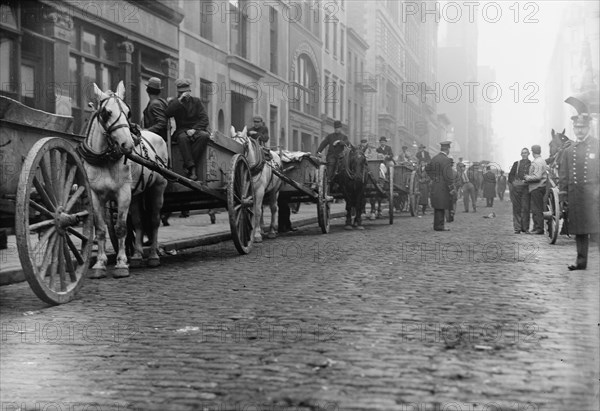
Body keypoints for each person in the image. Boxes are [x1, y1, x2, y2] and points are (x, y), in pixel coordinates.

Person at [558, 100, 599, 271]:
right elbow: (564, 176)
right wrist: (564, 197)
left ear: (588, 128)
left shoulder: (597, 146)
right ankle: (581, 262)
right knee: (580, 230)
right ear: (574, 129)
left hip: (594, 194)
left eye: (583, 127)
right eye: (577, 127)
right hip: (576, 195)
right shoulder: (569, 151)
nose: (580, 130)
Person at [165, 78, 210, 181]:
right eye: (181, 92)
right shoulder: (174, 102)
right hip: (181, 130)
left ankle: (188, 164)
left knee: (204, 136)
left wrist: (194, 129)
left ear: (190, 91)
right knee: (183, 138)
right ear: (178, 92)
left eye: (186, 92)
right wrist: (179, 100)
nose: (185, 94)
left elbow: (204, 119)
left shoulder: (196, 101)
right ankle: (192, 168)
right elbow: (167, 113)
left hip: (196, 129)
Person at [425, 141, 455, 231]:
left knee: (437, 204)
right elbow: (448, 175)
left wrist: (433, 177)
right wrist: (451, 187)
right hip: (443, 185)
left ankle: (437, 225)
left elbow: (427, 168)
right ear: (448, 149)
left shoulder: (434, 158)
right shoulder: (446, 160)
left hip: (435, 183)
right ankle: (440, 226)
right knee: (442, 204)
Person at [316, 120, 349, 186]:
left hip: (341, 156)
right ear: (334, 128)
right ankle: (328, 180)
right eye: (336, 128)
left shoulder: (344, 137)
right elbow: (323, 144)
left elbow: (347, 143)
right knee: (331, 165)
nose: (337, 129)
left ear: (340, 128)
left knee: (346, 166)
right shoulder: (330, 136)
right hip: (331, 155)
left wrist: (342, 142)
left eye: (338, 128)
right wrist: (318, 151)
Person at [524, 145, 548, 234]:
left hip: (537, 187)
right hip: (540, 187)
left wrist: (527, 178)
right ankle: (535, 227)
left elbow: (537, 177)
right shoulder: (542, 161)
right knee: (535, 208)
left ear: (533, 152)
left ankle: (539, 228)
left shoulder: (537, 162)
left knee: (537, 209)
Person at [508, 147, 532, 234]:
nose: (524, 154)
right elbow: (510, 176)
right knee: (516, 208)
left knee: (526, 208)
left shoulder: (531, 164)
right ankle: (517, 228)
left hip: (526, 188)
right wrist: (513, 183)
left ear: (528, 154)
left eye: (525, 153)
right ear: (521, 154)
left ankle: (525, 228)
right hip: (517, 189)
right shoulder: (516, 164)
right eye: (522, 153)